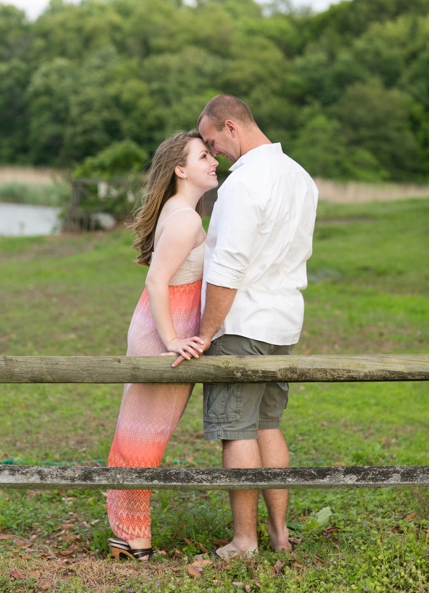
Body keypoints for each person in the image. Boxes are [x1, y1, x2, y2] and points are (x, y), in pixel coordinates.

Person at [182, 94, 317, 560]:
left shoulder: (243, 185)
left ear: (231, 127)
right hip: (282, 322)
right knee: (268, 425)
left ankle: (245, 541)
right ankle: (280, 534)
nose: (211, 149)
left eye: (210, 139)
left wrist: (205, 332)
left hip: (241, 326)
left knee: (236, 430)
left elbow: (228, 268)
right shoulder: (300, 177)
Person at [106, 130, 219, 560]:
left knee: (143, 432)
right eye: (203, 156)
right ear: (180, 169)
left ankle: (127, 531)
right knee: (143, 437)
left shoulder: (181, 211)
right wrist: (172, 339)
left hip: (163, 325)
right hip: (162, 332)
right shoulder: (186, 218)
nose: (213, 162)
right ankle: (133, 538)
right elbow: (157, 280)